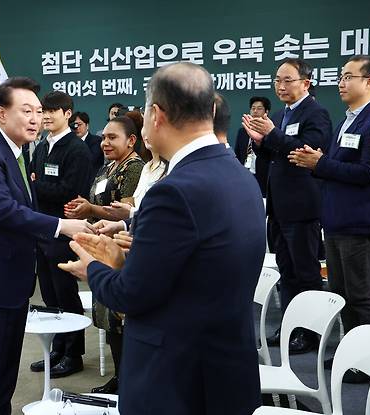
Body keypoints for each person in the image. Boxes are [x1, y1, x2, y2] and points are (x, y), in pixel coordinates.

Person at [59, 62, 265, 415]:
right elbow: (199, 268)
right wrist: (128, 260)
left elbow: (132, 294)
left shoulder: (173, 191)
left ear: (156, 115)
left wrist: (94, 268)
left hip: (175, 378)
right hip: (227, 369)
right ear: (210, 110)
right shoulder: (239, 175)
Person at [0, 77, 94, 415]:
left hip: (9, 284)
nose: (35, 119)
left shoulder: (18, 152)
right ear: (0, 114)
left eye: (39, 111)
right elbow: (5, 211)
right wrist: (62, 226)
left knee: (3, 378)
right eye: (26, 111)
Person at [288, 55, 370, 383]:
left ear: (369, 82)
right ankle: (353, 353)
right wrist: (318, 163)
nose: (341, 83)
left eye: (349, 77)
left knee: (362, 295)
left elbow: (368, 173)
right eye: (341, 77)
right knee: (342, 291)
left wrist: (320, 164)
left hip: (358, 222)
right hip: (335, 220)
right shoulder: (348, 118)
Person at [243, 58, 332, 353]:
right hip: (279, 207)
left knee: (306, 272)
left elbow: (308, 152)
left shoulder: (316, 113)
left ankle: (310, 333)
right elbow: (275, 155)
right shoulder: (280, 115)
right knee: (287, 270)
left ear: (305, 82)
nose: (280, 86)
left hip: (303, 205)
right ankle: (290, 325)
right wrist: (259, 142)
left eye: (287, 80)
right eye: (277, 80)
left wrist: (272, 135)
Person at [64, 115, 144, 394]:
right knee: (108, 317)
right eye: (104, 138)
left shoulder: (134, 168)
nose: (105, 143)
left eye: (113, 138)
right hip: (102, 250)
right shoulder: (109, 167)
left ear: (131, 140)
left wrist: (91, 210)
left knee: (120, 318)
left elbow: (123, 211)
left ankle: (128, 380)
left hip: (121, 251)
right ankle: (120, 377)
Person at [27, 91, 92, 378]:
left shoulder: (76, 149)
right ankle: (57, 348)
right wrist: (38, 184)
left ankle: (74, 354)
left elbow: (70, 190)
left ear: (68, 114)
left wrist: (36, 185)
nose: (47, 116)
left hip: (66, 231)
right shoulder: (41, 146)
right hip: (43, 229)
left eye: (54, 111)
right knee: (50, 294)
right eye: (44, 111)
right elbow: (32, 180)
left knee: (67, 294)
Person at [235, 96, 272, 196]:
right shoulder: (242, 132)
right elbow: (238, 156)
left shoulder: (271, 132)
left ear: (266, 112)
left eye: (259, 108)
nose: (255, 111)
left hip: (265, 179)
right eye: (253, 108)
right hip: (245, 178)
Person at [69, 111, 104, 183]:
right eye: (74, 125)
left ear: (87, 126)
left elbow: (91, 159)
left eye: (80, 124)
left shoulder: (96, 141)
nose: (77, 128)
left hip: (92, 181)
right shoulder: (69, 142)